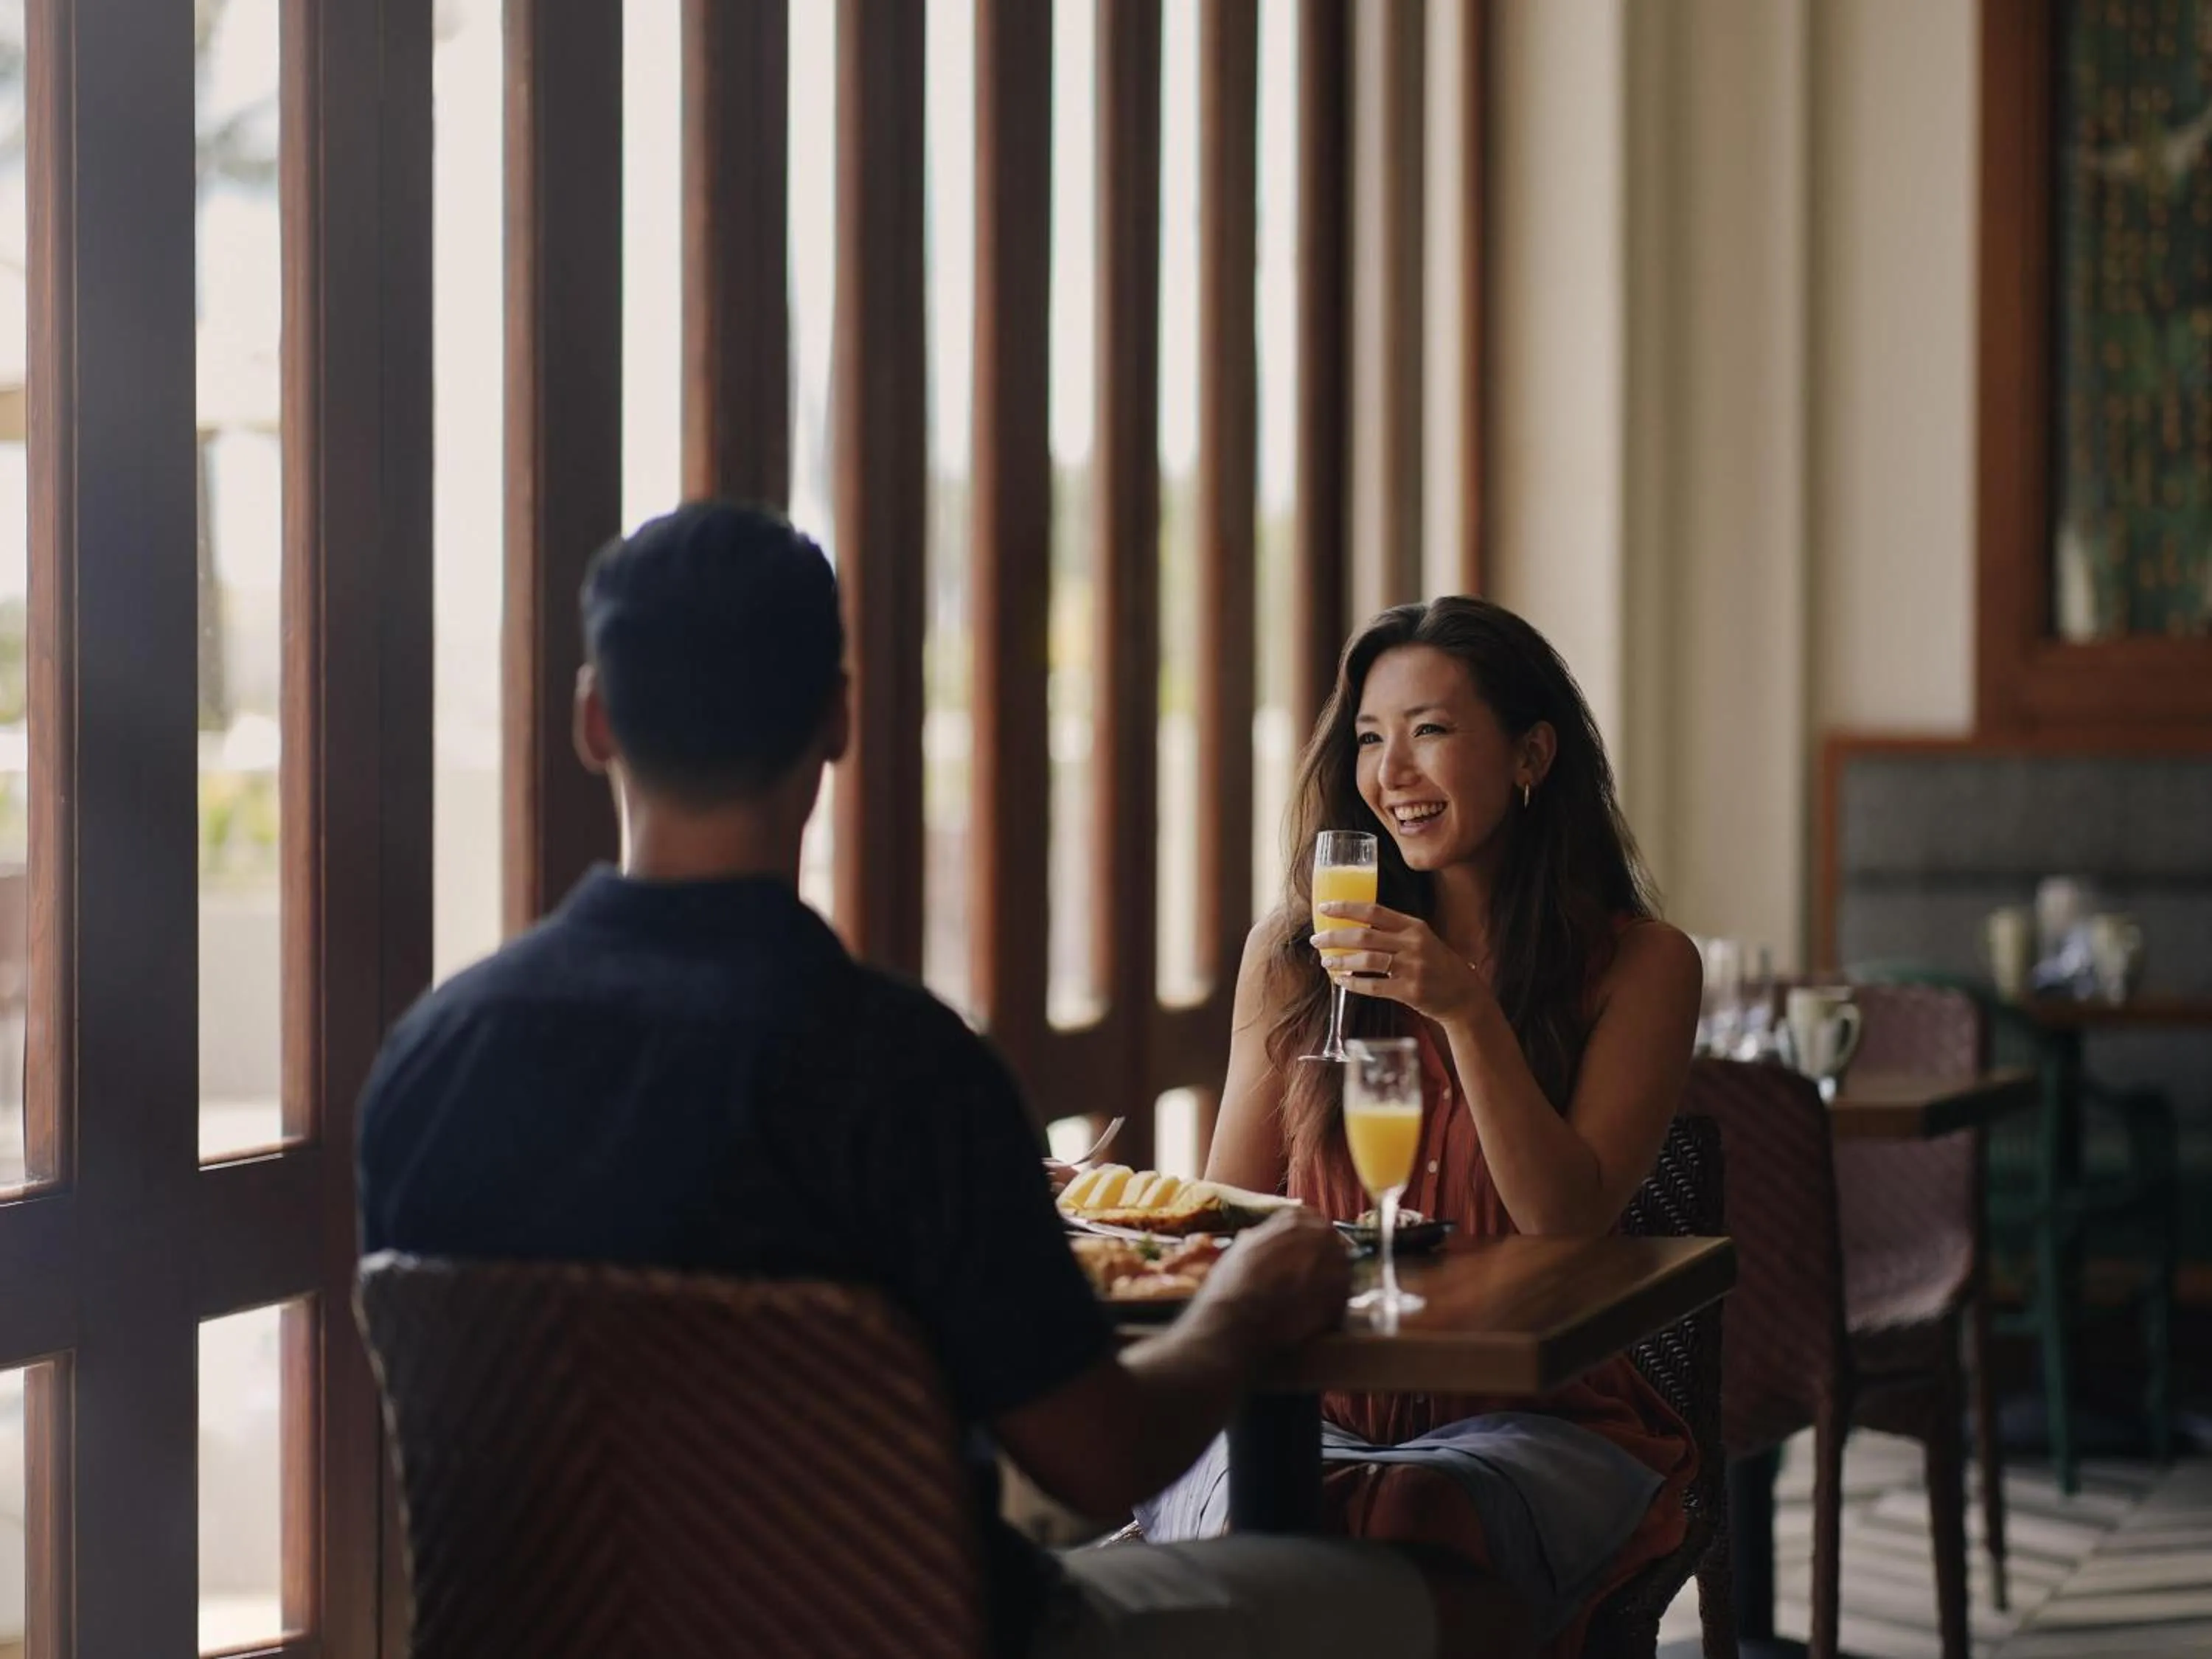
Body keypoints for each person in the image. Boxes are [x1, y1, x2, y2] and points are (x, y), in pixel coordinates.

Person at [356, 504, 1513, 1659]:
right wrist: (1247, 1305)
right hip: (920, 1637)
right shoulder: (904, 1071)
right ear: (838, 718)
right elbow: (1101, 1453)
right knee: (1466, 1603)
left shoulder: (433, 1059)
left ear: (593, 719)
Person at [1146, 597, 1703, 1655]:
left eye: (1430, 730)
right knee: (1280, 1514)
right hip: (1306, 1410)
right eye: (1369, 737)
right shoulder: (1295, 958)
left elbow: (1565, 1223)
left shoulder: (1642, 966)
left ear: (1532, 754)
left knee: (1408, 1518)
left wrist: (1465, 1010)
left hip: (1537, 1420)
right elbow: (1233, 1213)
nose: (1391, 771)